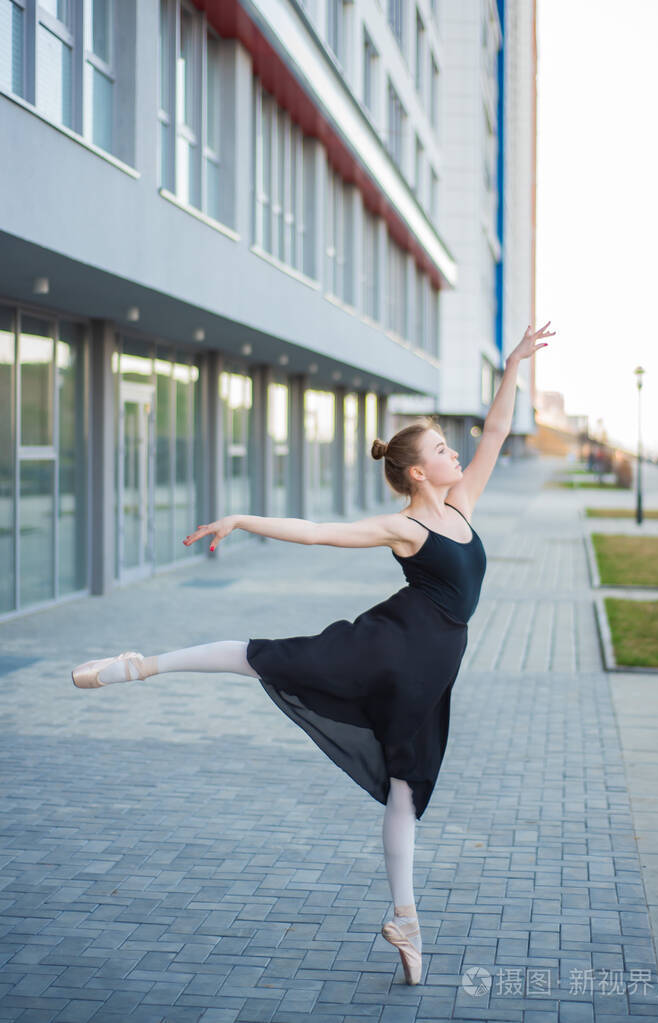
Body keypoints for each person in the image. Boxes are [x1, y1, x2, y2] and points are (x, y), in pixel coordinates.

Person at [72, 321, 555, 985]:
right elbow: (320, 531)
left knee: (406, 791)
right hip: (388, 647)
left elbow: (497, 431)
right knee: (267, 656)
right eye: (443, 448)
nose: (455, 452)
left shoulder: (462, 502)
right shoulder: (405, 525)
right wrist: (242, 519)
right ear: (418, 471)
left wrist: (511, 369)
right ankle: (140, 664)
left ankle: (404, 920)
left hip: (430, 669)